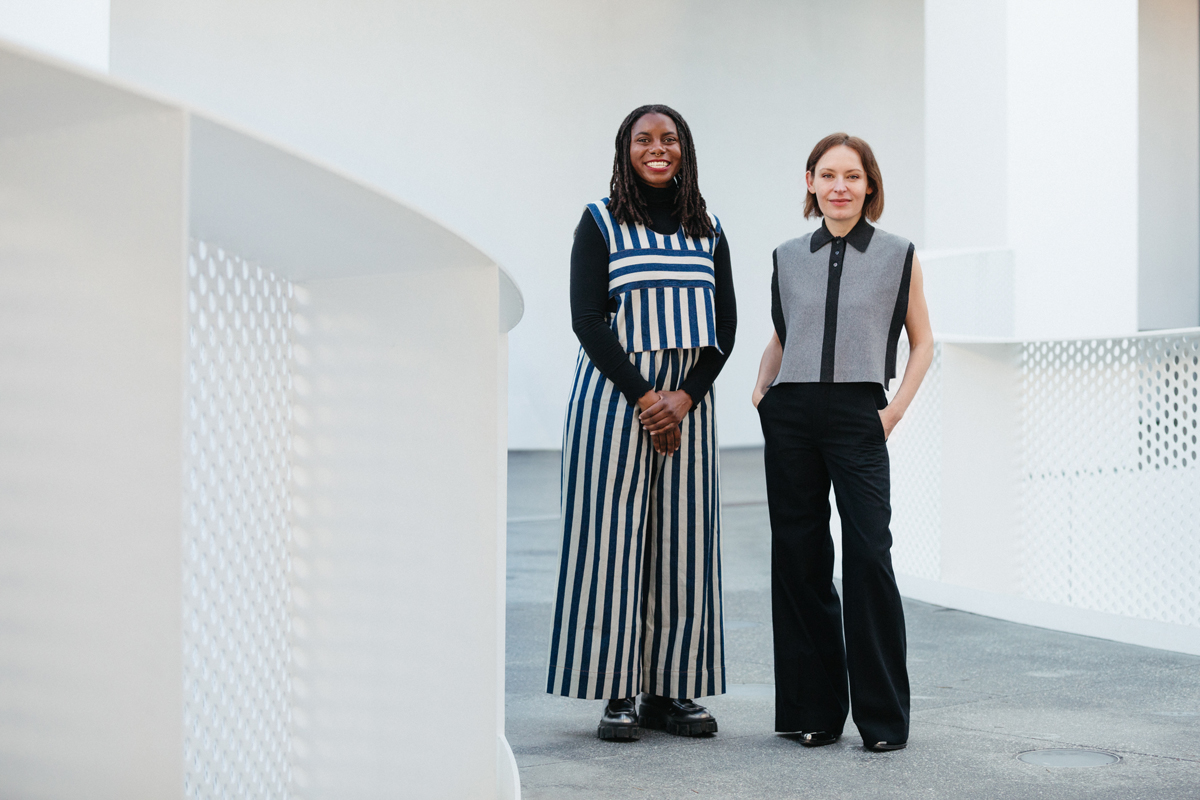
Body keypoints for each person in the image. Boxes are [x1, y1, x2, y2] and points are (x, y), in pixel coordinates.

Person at [547, 104, 737, 742]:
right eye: (643, 139)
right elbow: (588, 319)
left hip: (689, 405)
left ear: (685, 148)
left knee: (683, 544)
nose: (658, 148)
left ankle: (673, 689)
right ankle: (618, 690)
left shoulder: (708, 227)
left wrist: (683, 397)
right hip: (613, 402)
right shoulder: (599, 221)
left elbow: (726, 328)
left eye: (669, 138)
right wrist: (646, 397)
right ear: (625, 150)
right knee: (611, 544)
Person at [752, 133, 932, 752]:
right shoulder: (786, 254)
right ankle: (815, 713)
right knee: (800, 562)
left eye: (852, 176)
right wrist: (762, 390)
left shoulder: (897, 254)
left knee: (868, 558)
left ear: (869, 185)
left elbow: (923, 341)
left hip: (861, 414)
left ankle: (882, 721)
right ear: (810, 182)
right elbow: (785, 331)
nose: (839, 186)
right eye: (827, 175)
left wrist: (894, 412)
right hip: (793, 413)